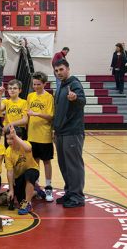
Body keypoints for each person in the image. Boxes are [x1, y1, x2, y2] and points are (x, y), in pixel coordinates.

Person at [53, 59, 86, 208]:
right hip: (61, 132)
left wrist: (75, 98)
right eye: (56, 70)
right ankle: (70, 192)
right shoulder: (61, 86)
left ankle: (77, 197)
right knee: (64, 165)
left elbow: (82, 101)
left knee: (74, 165)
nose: (59, 72)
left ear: (68, 69)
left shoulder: (74, 83)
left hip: (72, 131)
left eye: (61, 69)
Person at [27, 72, 55, 202]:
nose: (36, 86)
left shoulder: (49, 97)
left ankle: (48, 186)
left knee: (46, 161)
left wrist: (36, 113)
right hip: (32, 135)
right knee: (35, 161)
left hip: (44, 135)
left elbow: (50, 116)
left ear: (44, 84)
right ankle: (36, 187)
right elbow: (27, 115)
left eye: (38, 84)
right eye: (34, 84)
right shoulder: (30, 96)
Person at [5, 125, 39, 215]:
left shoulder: (25, 144)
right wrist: (11, 189)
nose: (9, 141)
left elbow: (29, 149)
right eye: (7, 139)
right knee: (20, 198)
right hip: (19, 177)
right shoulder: (8, 152)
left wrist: (15, 136)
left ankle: (27, 204)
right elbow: (10, 171)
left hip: (32, 171)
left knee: (29, 174)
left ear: (19, 137)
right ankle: (36, 191)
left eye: (12, 138)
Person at [0, 79, 28, 144]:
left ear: (20, 90)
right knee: (9, 151)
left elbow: (25, 120)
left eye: (15, 88)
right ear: (7, 90)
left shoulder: (24, 102)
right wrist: (0, 94)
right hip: (8, 130)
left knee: (20, 152)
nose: (12, 90)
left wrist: (10, 124)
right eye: (10, 88)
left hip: (20, 130)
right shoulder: (6, 102)